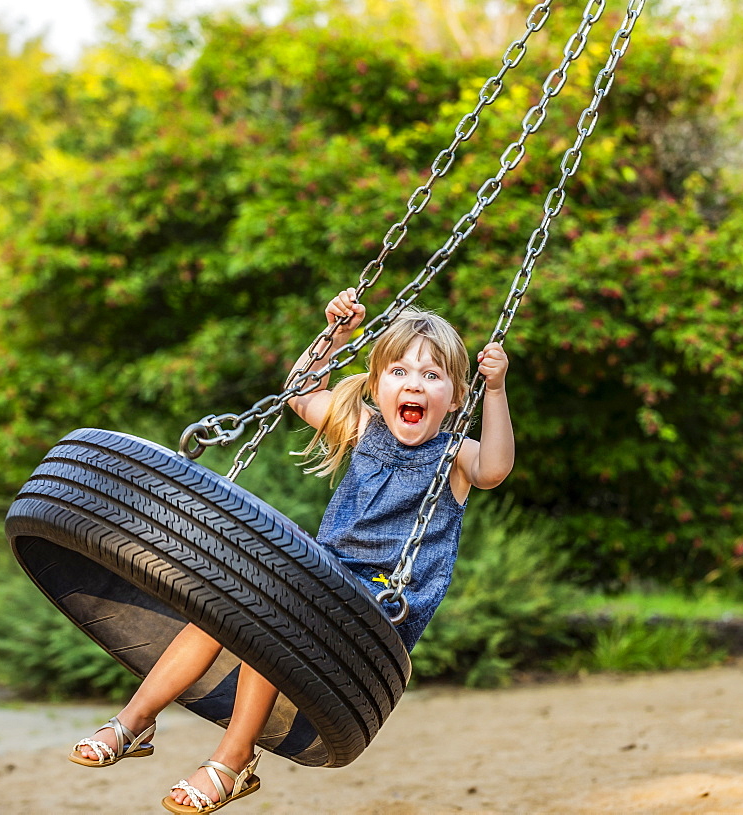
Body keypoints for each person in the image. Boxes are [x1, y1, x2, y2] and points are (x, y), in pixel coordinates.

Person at [69, 288, 515, 813]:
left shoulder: (456, 455)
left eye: (431, 376)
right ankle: (134, 722)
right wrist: (335, 335)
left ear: (456, 397)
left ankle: (231, 761)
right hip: (325, 579)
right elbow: (300, 394)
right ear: (377, 385)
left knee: (277, 621)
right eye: (398, 371)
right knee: (227, 613)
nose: (413, 383)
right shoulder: (364, 427)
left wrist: (498, 389)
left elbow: (496, 469)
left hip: (383, 608)